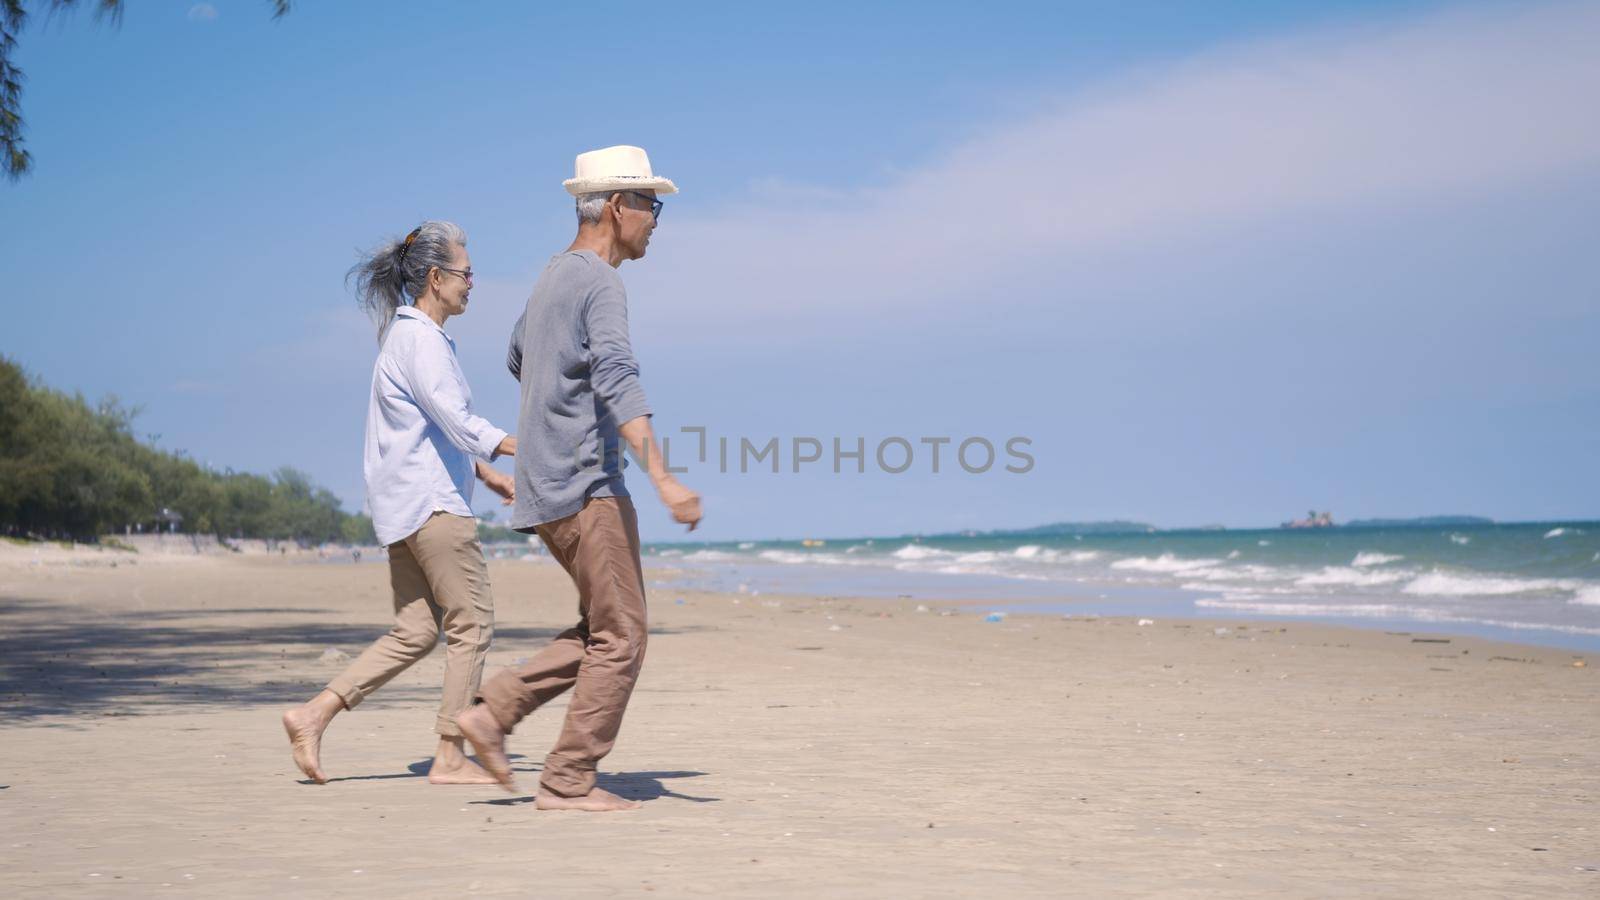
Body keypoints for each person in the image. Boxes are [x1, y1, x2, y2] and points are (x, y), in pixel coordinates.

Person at [457, 146, 702, 812]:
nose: (656, 221)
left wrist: (552, 416)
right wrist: (663, 478)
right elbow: (619, 377)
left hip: (545, 485)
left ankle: (492, 712)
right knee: (623, 636)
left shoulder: (549, 279)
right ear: (618, 207)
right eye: (652, 205)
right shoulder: (598, 282)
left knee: (603, 626)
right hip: (588, 486)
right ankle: (567, 778)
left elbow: (518, 355)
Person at [282, 220, 517, 785]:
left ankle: (313, 715)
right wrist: (525, 449)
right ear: (436, 279)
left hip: (401, 507)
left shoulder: (405, 339)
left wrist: (484, 472)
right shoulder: (422, 341)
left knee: (415, 633)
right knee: (474, 624)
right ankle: (450, 756)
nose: (472, 284)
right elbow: (457, 420)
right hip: (433, 509)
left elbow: (426, 426)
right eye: (465, 274)